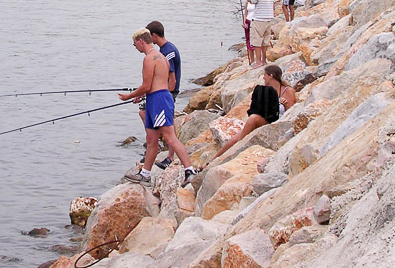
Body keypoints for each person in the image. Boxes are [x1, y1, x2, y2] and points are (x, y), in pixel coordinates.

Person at [120, 28, 198, 185]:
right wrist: (142, 95)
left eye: (135, 44)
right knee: (151, 139)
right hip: (156, 98)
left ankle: (190, 171)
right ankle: (145, 174)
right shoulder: (162, 56)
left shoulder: (149, 59)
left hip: (159, 100)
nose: (135, 47)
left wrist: (130, 96)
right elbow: (159, 82)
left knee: (169, 137)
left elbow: (147, 85)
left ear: (141, 41)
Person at [207, 67, 283, 163]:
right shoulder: (266, 91)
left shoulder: (285, 91)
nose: (263, 78)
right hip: (265, 118)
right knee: (232, 140)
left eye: (265, 75)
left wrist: (285, 103)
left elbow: (291, 111)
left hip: (277, 122)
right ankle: (211, 162)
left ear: (271, 76)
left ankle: (240, 144)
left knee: (252, 119)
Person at [145, 21, 182, 170]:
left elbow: (171, 78)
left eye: (149, 36)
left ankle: (170, 156)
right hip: (162, 92)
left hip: (167, 93)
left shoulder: (168, 51)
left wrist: (167, 95)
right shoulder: (163, 49)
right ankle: (153, 145)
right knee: (145, 114)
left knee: (169, 127)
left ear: (154, 35)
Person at [249, 0, 276, 68]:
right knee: (265, 40)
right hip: (269, 16)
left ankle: (258, 62)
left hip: (259, 16)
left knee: (257, 40)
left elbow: (254, 0)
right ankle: (264, 61)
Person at [242, 0, 256, 65]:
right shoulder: (247, 2)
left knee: (255, 40)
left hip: (255, 21)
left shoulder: (257, 1)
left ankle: (258, 58)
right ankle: (251, 60)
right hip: (248, 21)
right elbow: (245, 13)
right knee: (248, 41)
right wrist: (244, 22)